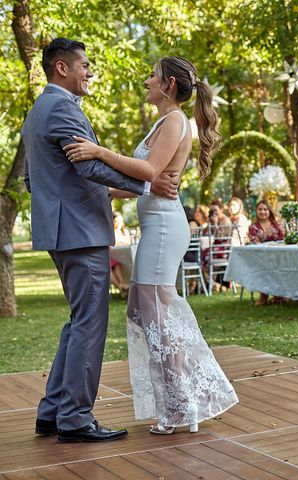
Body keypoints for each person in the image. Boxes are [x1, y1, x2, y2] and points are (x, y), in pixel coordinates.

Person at [66, 55, 238, 434]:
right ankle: (184, 395)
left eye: (152, 75)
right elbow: (144, 183)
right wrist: (106, 192)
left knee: (156, 315)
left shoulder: (176, 120)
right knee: (145, 313)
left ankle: (181, 406)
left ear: (169, 85)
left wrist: (99, 152)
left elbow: (147, 172)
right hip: (156, 226)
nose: (147, 81)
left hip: (163, 228)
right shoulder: (165, 122)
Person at [22, 38, 179, 442]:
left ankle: (53, 411)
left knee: (78, 323)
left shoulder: (38, 111)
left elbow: (30, 178)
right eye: (85, 66)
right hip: (80, 231)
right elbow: (90, 165)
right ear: (63, 69)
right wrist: (148, 186)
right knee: (89, 325)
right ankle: (75, 419)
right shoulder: (60, 107)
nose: (90, 72)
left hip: (64, 230)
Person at [248, 200, 286, 305]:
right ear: (256, 211)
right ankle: (263, 295)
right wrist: (265, 237)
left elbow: (283, 239)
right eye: (260, 209)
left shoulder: (276, 225)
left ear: (269, 211)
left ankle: (279, 295)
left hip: (278, 255)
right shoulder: (253, 227)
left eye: (265, 209)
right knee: (264, 266)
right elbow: (255, 242)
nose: (263, 212)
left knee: (280, 264)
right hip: (261, 256)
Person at [110, 212, 131, 296]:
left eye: (120, 221)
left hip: (121, 256)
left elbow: (128, 242)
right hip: (112, 255)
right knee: (111, 265)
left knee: (115, 264)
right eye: (116, 221)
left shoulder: (124, 231)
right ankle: (122, 286)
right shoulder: (110, 232)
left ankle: (121, 286)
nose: (118, 223)